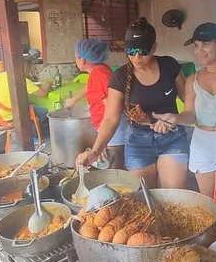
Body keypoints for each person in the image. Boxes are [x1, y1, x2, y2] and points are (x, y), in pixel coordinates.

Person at [152, 23, 216, 235]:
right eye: (197, 45)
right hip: (202, 145)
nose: (200, 50)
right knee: (210, 210)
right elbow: (191, 114)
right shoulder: (193, 79)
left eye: (206, 44)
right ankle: (213, 249)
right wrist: (175, 118)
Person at [76, 17, 188, 189]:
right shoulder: (120, 77)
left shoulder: (169, 66)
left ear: (154, 47)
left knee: (173, 193)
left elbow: (189, 101)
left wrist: (177, 118)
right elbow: (110, 119)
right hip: (138, 141)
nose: (136, 57)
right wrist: (95, 151)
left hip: (172, 137)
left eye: (143, 51)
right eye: (131, 50)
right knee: (143, 195)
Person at [65, 39, 128, 169]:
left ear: (82, 60)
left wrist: (102, 143)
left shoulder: (99, 75)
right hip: (111, 128)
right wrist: (73, 100)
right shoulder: (99, 70)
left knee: (114, 168)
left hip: (113, 129)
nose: (75, 60)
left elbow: (111, 108)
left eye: (76, 57)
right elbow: (89, 88)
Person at [0, 67, 51, 134]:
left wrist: (0, 100)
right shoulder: (22, 80)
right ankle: (34, 133)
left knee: (30, 105)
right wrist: (48, 84)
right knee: (43, 111)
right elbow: (43, 94)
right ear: (24, 69)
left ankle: (31, 130)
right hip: (14, 113)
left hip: (0, 113)